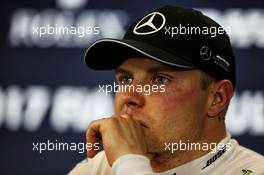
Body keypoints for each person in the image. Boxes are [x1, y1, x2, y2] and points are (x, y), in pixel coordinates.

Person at [69, 5, 264, 175]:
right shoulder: (99, 169)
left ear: (217, 98)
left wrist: (129, 163)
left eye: (160, 80)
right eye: (126, 79)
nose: (129, 96)